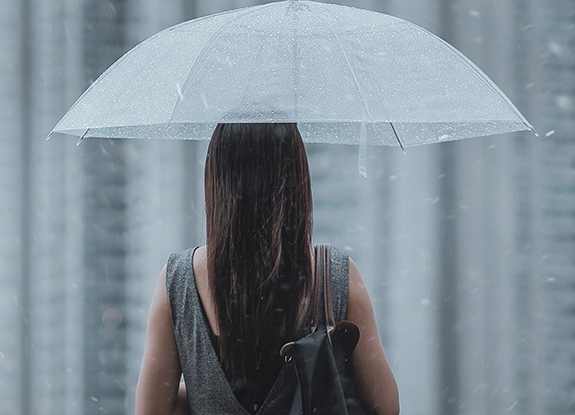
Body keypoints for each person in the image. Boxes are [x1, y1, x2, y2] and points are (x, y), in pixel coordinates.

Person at [135, 123, 399, 415]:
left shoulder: (178, 281)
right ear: (296, 179)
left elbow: (152, 410)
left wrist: (199, 392)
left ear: (217, 180)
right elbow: (386, 407)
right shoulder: (335, 276)